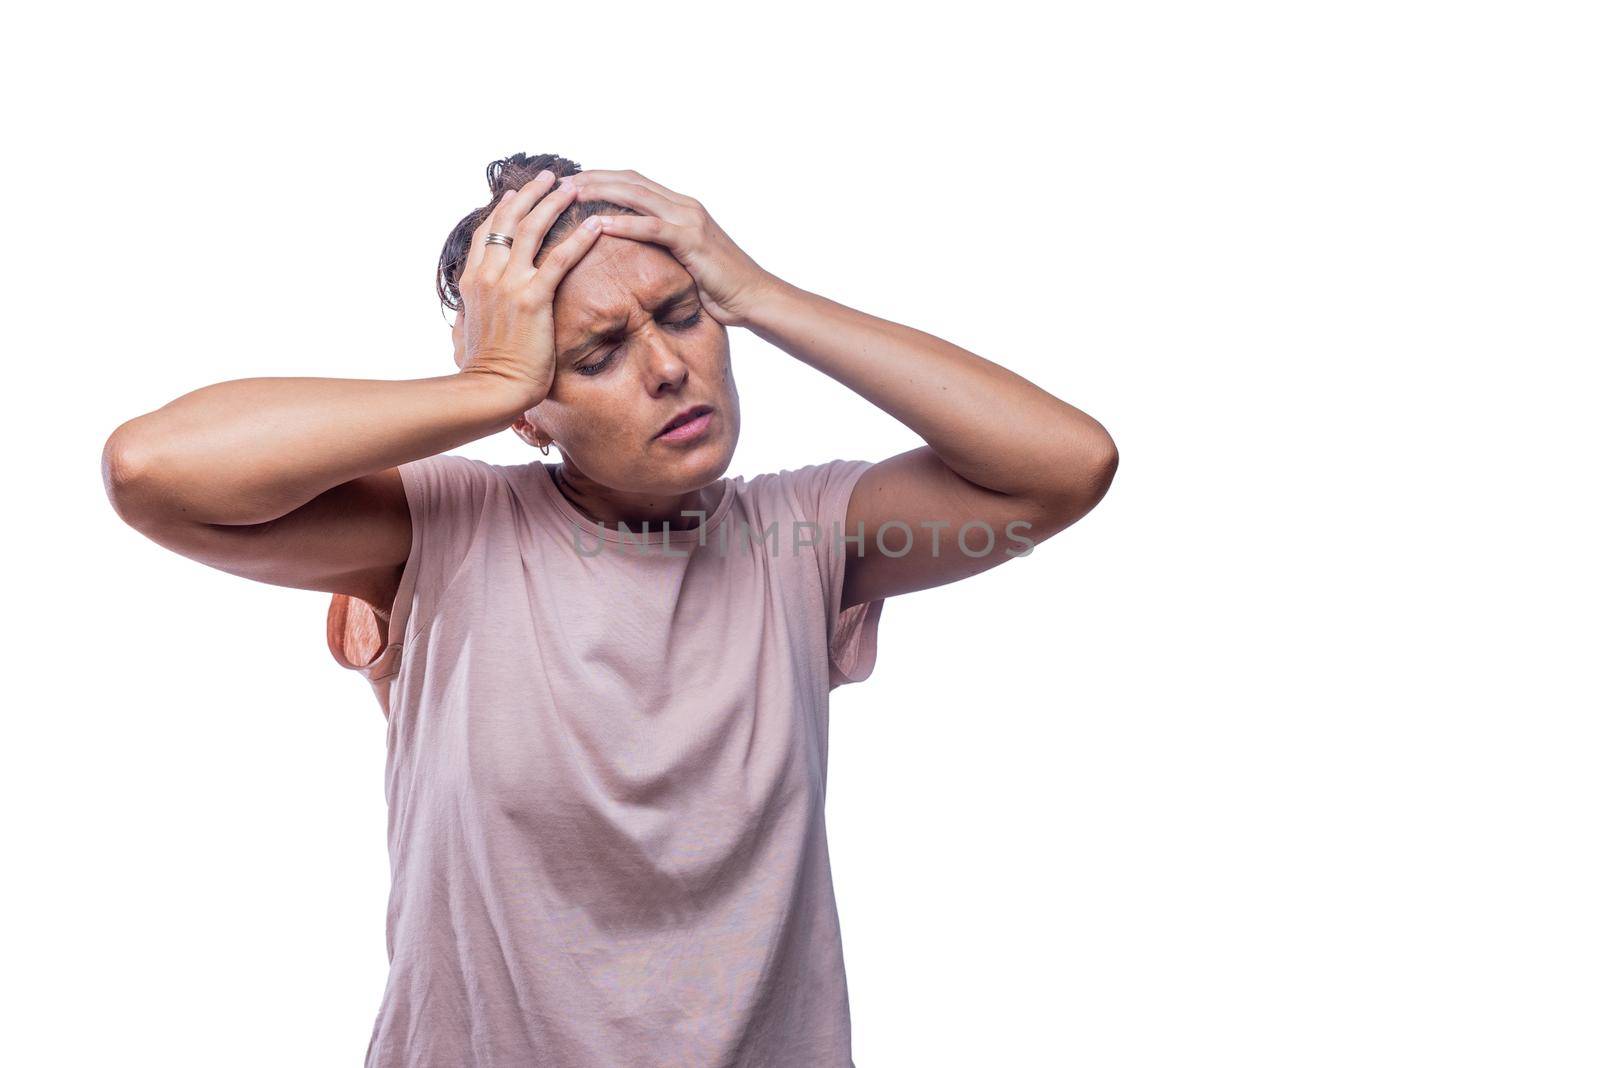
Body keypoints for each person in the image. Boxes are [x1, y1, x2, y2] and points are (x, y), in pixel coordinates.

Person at [101, 151, 1119, 1067]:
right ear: (528, 415)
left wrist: (761, 293)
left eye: (681, 312)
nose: (668, 366)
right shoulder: (446, 528)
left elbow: (1064, 468)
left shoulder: (803, 536)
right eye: (594, 357)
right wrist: (488, 382)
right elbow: (155, 472)